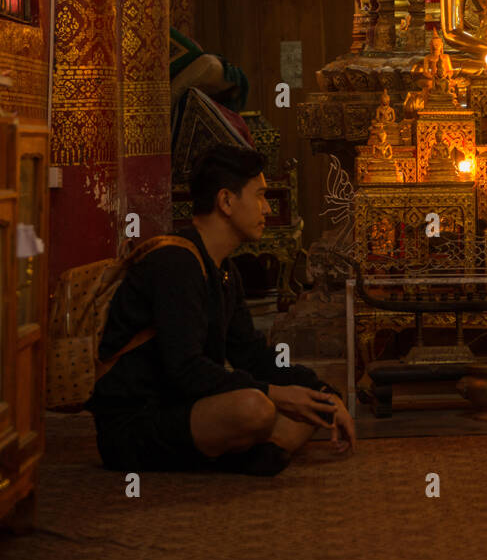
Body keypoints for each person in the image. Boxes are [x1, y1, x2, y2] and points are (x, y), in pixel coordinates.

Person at [86, 145, 356, 476]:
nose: (268, 208)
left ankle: (249, 453)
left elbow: (252, 355)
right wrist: (279, 395)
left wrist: (325, 394)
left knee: (311, 407)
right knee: (255, 409)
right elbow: (185, 371)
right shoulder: (175, 264)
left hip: (185, 409)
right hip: (137, 423)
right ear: (226, 201)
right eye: (259, 196)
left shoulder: (224, 269)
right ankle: (253, 453)